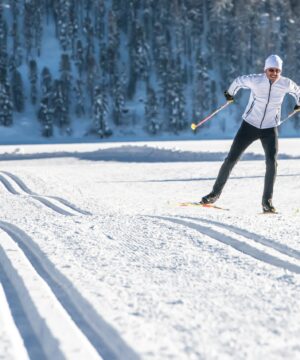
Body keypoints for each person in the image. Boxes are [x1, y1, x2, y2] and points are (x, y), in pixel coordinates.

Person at [201, 54, 300, 213]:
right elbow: (239, 81)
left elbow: (298, 91)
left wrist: (298, 104)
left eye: (277, 70)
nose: (274, 73)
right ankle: (214, 194)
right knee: (231, 159)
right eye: (271, 69)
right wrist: (230, 94)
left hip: (270, 128)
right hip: (249, 126)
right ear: (265, 69)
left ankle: (267, 202)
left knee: (271, 162)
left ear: (280, 71)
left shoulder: (285, 83)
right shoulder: (255, 80)